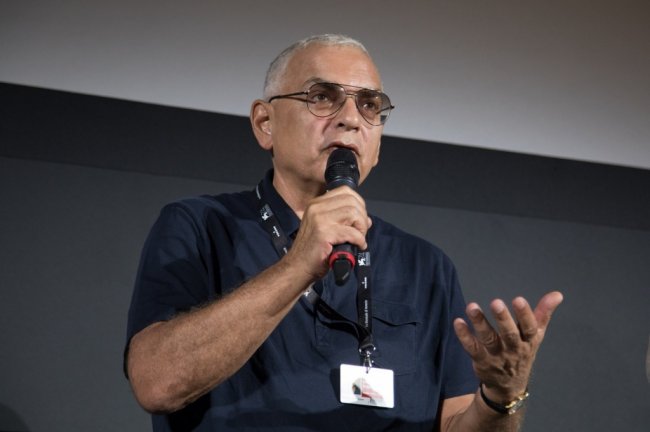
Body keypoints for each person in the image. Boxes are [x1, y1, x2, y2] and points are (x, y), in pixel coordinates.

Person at [124, 34, 563, 431]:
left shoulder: (425, 266)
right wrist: (297, 265)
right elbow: (157, 384)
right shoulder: (199, 225)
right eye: (322, 97)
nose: (351, 118)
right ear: (265, 123)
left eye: (369, 105)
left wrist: (501, 398)